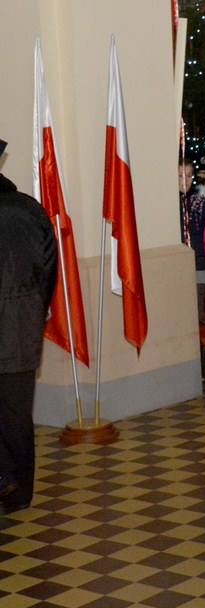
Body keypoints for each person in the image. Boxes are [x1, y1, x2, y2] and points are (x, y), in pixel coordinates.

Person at [0, 138, 58, 515]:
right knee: (17, 414)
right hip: (20, 327)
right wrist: (34, 310)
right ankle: (20, 492)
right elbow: (49, 269)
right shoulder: (29, 209)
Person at [179, 160, 205, 318]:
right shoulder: (167, 202)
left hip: (197, 260)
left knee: (196, 309)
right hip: (176, 261)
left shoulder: (200, 202)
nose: (185, 180)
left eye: (188, 175)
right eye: (180, 175)